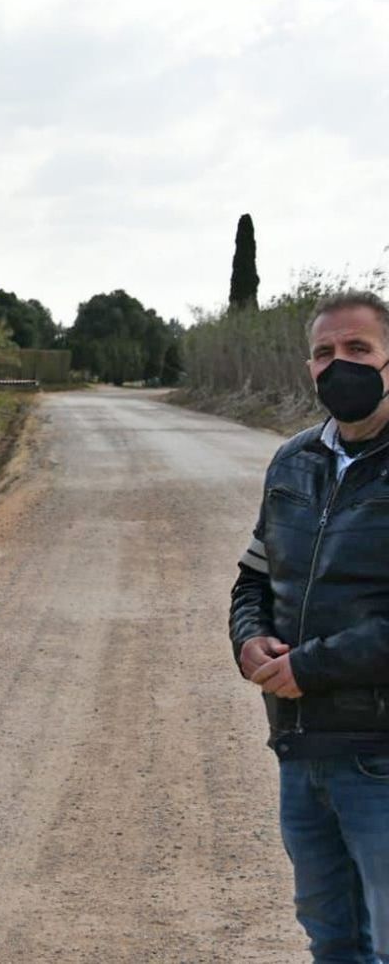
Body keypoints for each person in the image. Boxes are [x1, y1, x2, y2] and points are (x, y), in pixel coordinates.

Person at [231, 290, 389, 962]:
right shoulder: (294, 461)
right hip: (300, 748)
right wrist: (247, 641)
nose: (338, 365)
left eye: (358, 349)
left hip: (379, 757)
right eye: (324, 353)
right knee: (330, 938)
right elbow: (254, 577)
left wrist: (310, 666)